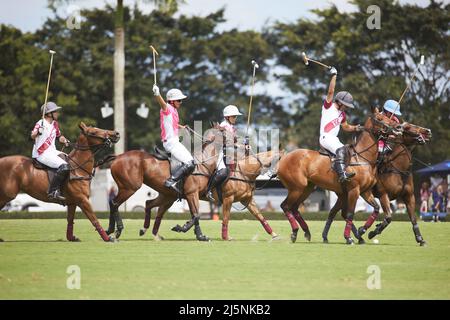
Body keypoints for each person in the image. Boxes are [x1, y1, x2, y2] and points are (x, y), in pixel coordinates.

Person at [319, 67, 363, 183]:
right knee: (342, 150)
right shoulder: (328, 106)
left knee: (348, 152)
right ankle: (342, 175)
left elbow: (346, 127)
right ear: (339, 102)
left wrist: (356, 127)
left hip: (334, 139)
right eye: (346, 104)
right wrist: (334, 75)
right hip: (325, 137)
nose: (347, 107)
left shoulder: (342, 114)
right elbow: (330, 92)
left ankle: (338, 171)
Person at [152, 84, 195, 193]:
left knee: (190, 161)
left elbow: (173, 123)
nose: (181, 102)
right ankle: (171, 181)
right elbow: (163, 104)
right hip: (171, 143)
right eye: (179, 100)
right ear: (172, 101)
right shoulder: (168, 108)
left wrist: (182, 127)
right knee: (190, 163)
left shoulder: (174, 110)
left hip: (174, 141)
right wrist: (157, 94)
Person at [31, 102, 70, 203]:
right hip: (41, 153)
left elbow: (59, 137)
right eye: (55, 111)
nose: (57, 113)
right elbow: (32, 135)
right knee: (64, 166)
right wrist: (38, 132)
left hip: (52, 151)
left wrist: (64, 140)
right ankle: (52, 191)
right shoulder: (41, 123)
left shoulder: (55, 124)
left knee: (70, 161)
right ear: (49, 114)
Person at [206, 105, 243, 204]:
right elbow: (224, 141)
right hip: (219, 152)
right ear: (227, 117)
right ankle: (208, 190)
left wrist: (243, 145)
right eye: (234, 116)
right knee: (223, 171)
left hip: (228, 153)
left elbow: (234, 142)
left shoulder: (231, 127)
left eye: (236, 116)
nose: (235, 118)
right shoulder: (223, 126)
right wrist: (237, 145)